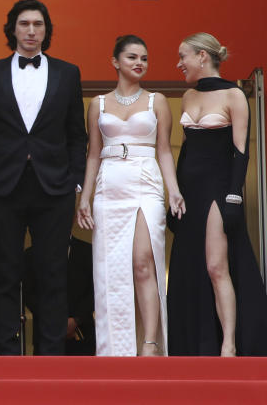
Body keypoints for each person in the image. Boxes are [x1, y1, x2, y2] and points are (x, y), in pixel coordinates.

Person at [0, 0, 86, 355]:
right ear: (13, 29)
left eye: (38, 25)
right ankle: (8, 356)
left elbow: (76, 135)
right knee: (5, 273)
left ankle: (50, 357)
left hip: (53, 188)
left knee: (53, 273)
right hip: (3, 187)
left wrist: (77, 182)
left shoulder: (68, 73)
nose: (31, 31)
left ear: (46, 31)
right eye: (24, 24)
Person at [75, 35, 184, 356]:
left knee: (142, 262)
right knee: (111, 268)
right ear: (115, 62)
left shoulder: (157, 101)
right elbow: (92, 154)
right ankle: (116, 348)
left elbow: (164, 151)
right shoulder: (97, 103)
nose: (140, 63)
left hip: (145, 182)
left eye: (145, 58)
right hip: (109, 185)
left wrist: (173, 190)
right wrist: (85, 196)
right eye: (133, 57)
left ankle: (150, 343)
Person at [167, 33, 267, 356]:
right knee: (190, 267)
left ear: (201, 56)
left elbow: (241, 152)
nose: (179, 63)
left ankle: (228, 344)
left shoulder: (235, 95)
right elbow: (184, 152)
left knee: (215, 265)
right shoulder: (186, 97)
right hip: (190, 191)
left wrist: (234, 196)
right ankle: (196, 343)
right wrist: (175, 194)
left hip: (217, 189)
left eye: (183, 56)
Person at [24, 234, 96, 355]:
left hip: (82, 335)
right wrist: (53, 320)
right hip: (45, 334)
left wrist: (76, 319)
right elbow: (28, 293)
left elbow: (96, 290)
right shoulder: (32, 254)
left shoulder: (89, 251)